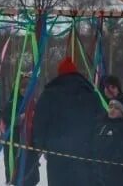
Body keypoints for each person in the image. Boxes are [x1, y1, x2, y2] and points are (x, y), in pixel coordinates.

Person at [31, 58, 104, 186]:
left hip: (57, 155)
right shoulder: (91, 94)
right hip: (85, 155)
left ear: (60, 74)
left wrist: (40, 145)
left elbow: (40, 123)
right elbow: (100, 122)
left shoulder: (49, 94)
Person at [92, 94, 123, 186]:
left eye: (116, 108)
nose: (112, 110)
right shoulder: (101, 125)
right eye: (110, 106)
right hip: (96, 172)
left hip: (115, 175)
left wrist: (112, 164)